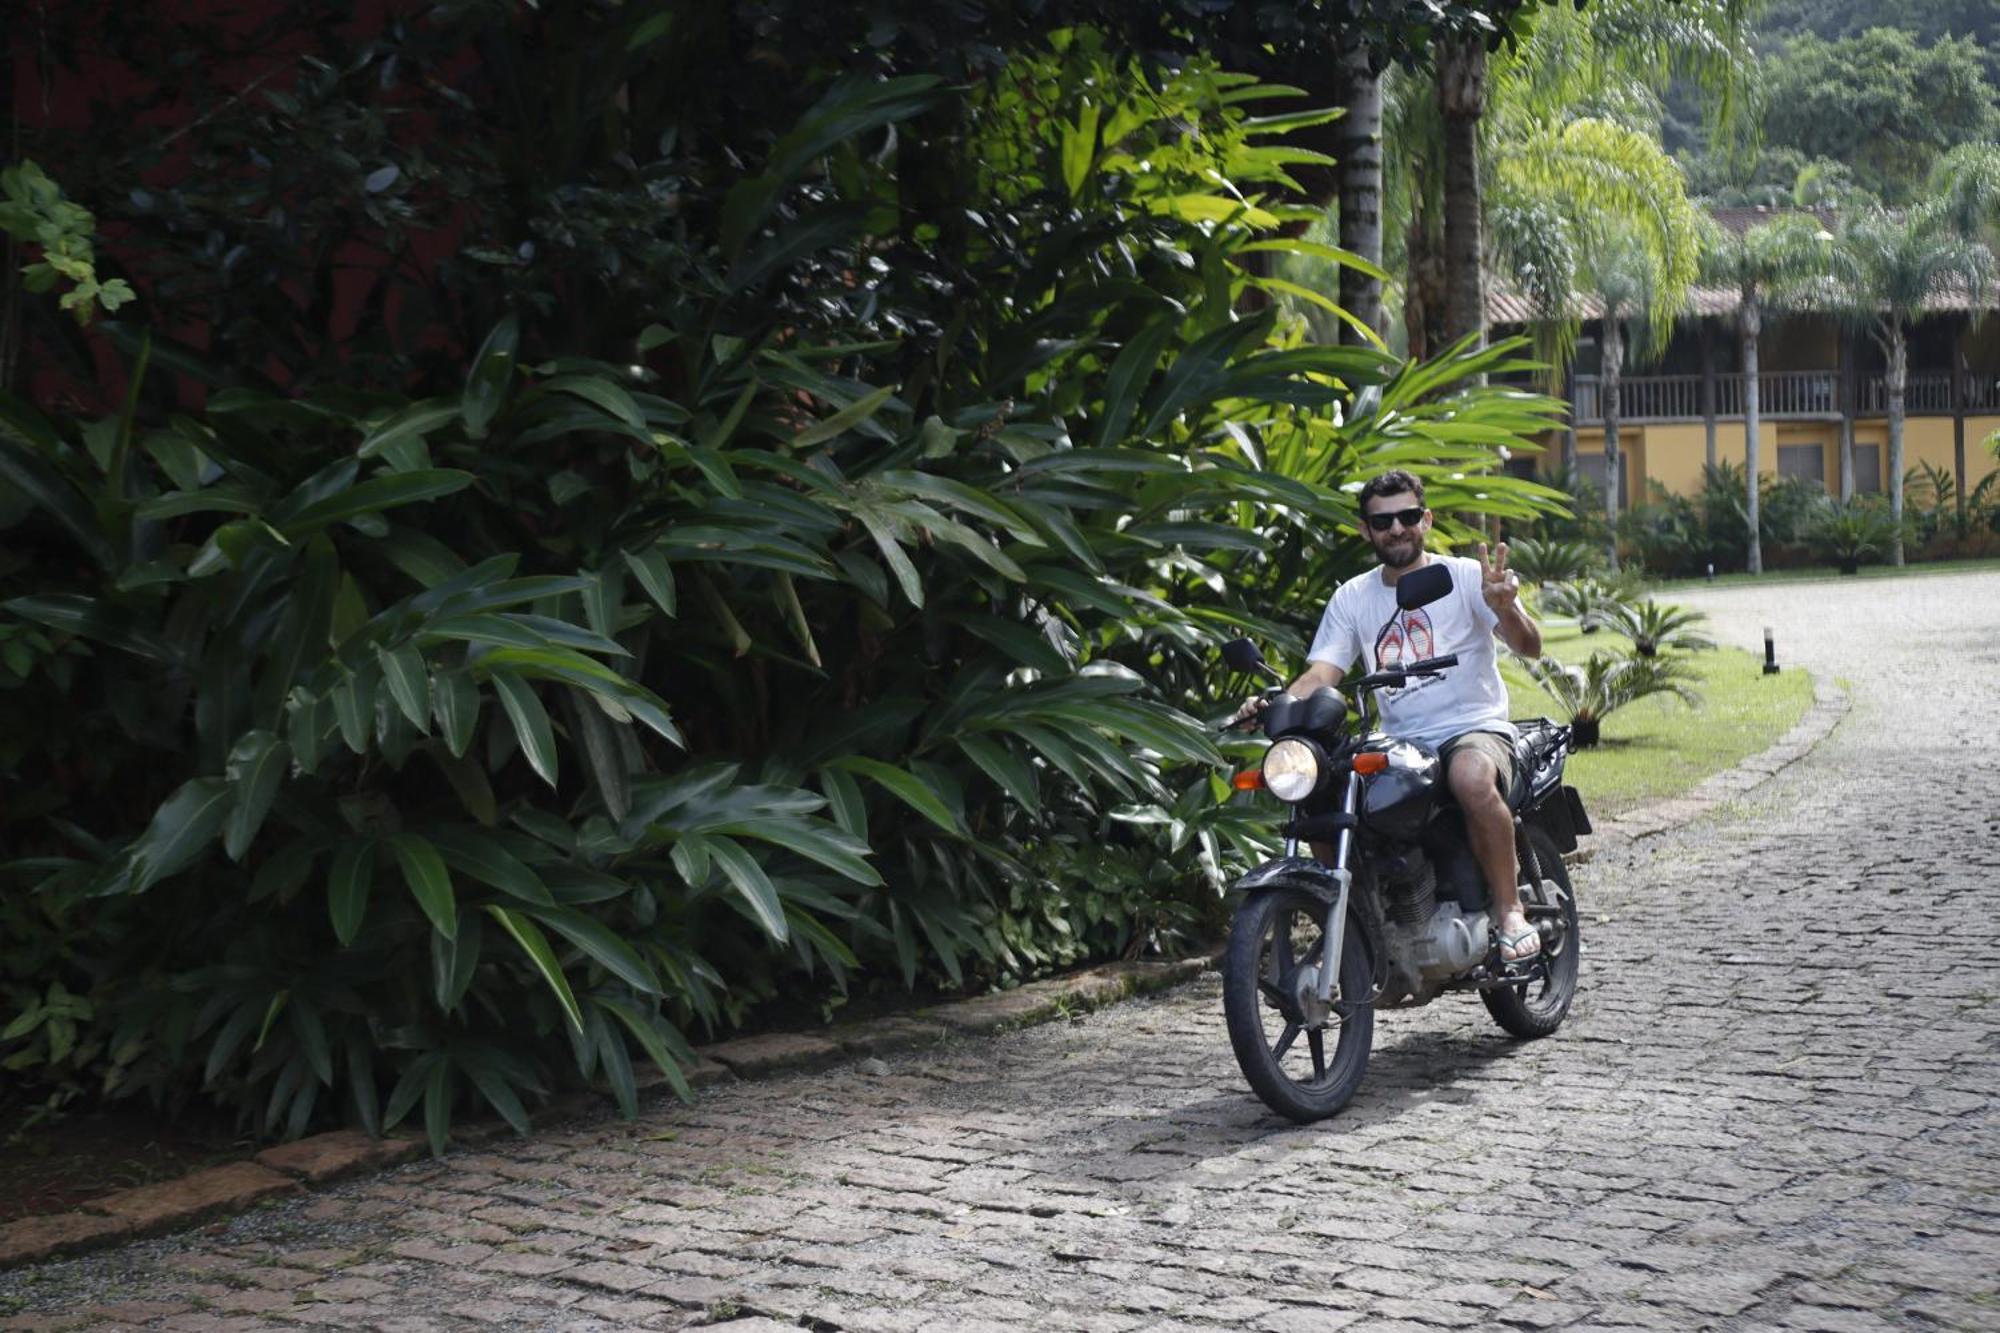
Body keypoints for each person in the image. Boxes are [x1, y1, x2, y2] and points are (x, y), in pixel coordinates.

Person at [1234, 469, 1545, 961]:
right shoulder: (1353, 597)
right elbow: (1322, 672)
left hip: (1475, 728)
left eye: (1407, 516)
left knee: (1468, 775)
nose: (1396, 529)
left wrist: (1505, 609)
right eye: (1383, 522)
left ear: (1427, 519)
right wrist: (1279, 705)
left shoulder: (1466, 577)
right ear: (1365, 530)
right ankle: (1367, 928)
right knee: (1325, 791)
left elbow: (1530, 646)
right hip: (1404, 743)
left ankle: (1509, 911)